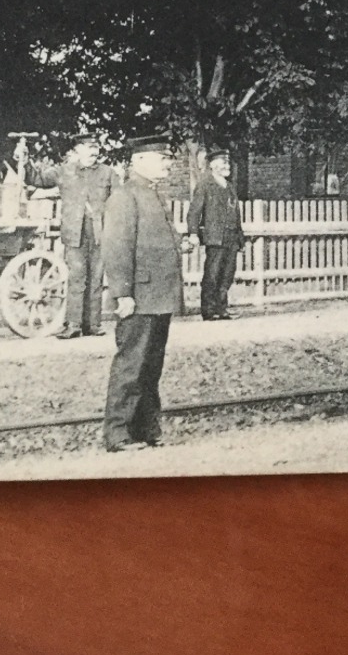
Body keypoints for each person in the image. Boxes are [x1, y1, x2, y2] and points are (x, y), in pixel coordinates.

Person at [101, 135, 185, 451]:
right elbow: (117, 248)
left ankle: (147, 429)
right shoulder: (125, 197)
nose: (168, 163)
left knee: (151, 367)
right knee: (131, 366)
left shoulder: (153, 195)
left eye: (167, 157)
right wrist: (123, 294)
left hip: (158, 297)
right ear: (138, 161)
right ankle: (117, 434)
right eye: (161, 158)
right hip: (138, 297)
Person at [24, 132, 118, 339]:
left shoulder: (108, 173)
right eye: (88, 147)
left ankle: (93, 325)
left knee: (96, 279)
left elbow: (118, 203)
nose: (93, 151)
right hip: (74, 234)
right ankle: (73, 324)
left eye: (95, 148)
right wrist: (24, 160)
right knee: (76, 278)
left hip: (100, 234)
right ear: (77, 150)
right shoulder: (64, 171)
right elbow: (35, 178)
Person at [187, 148, 246, 322]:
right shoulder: (205, 184)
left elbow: (237, 214)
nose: (226, 166)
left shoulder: (230, 187)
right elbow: (194, 212)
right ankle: (209, 310)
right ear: (213, 165)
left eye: (227, 163)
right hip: (215, 237)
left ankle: (222, 309)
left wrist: (240, 239)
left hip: (231, 237)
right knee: (212, 274)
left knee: (227, 275)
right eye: (223, 163)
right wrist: (193, 233)